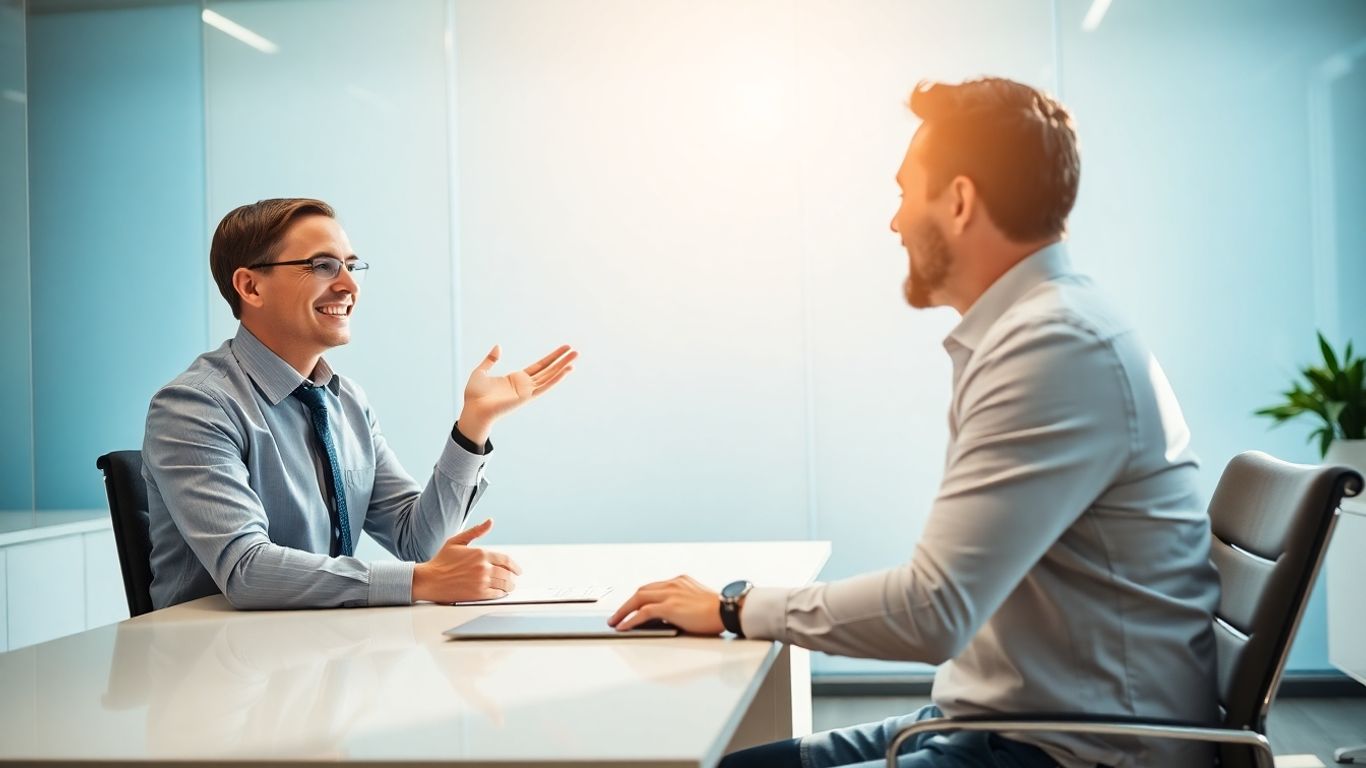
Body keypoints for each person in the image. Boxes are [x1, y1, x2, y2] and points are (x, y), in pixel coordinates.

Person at [609, 78, 1220, 768]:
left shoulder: (1054, 346)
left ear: (958, 201)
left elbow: (935, 610)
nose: (894, 222)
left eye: (904, 192)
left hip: (1067, 751)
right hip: (995, 720)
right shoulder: (1043, 329)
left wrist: (736, 607)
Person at [143, 198, 576, 610]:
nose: (349, 285)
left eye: (352, 266)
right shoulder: (194, 406)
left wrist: (473, 427)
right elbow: (246, 570)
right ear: (251, 286)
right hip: (213, 664)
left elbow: (416, 543)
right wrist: (420, 581)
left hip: (317, 651)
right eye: (324, 266)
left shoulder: (347, 402)